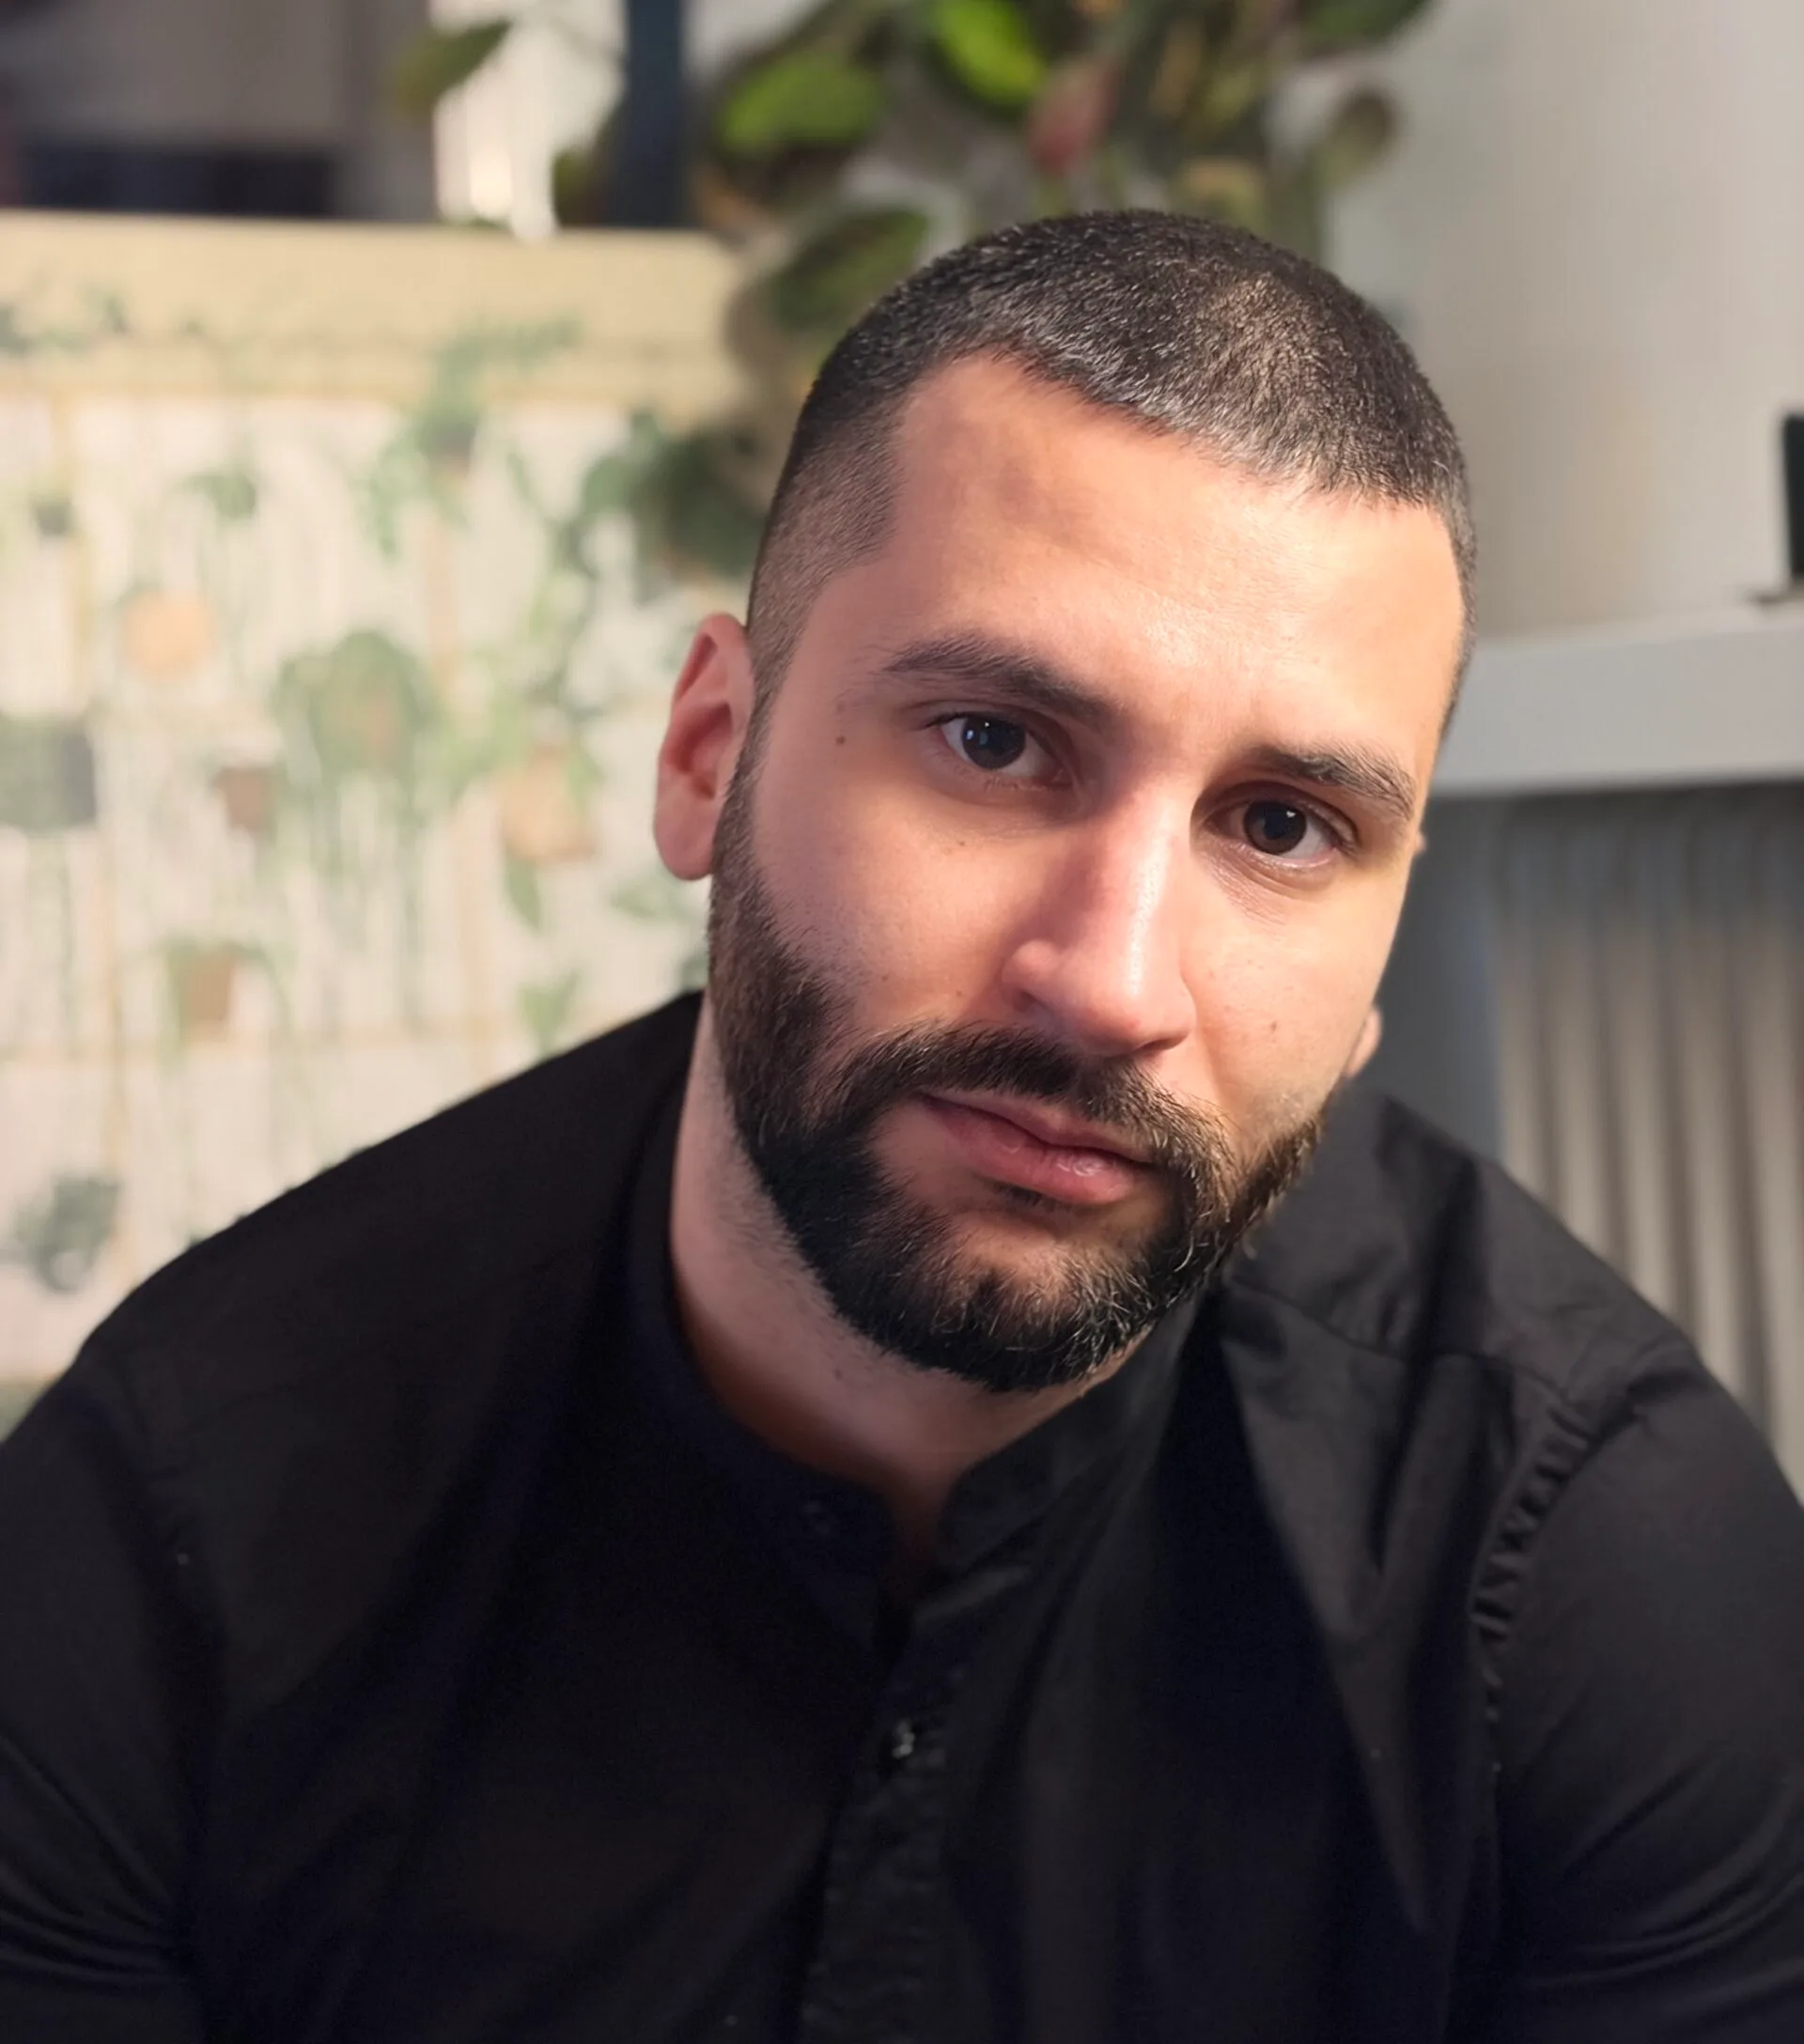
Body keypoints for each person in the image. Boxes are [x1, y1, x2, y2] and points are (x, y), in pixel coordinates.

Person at [1, 211, 1801, 2044]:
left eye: (1280, 827)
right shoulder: (180, 1526)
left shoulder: (1596, 1559)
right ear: (708, 752)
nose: (1112, 985)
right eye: (993, 741)